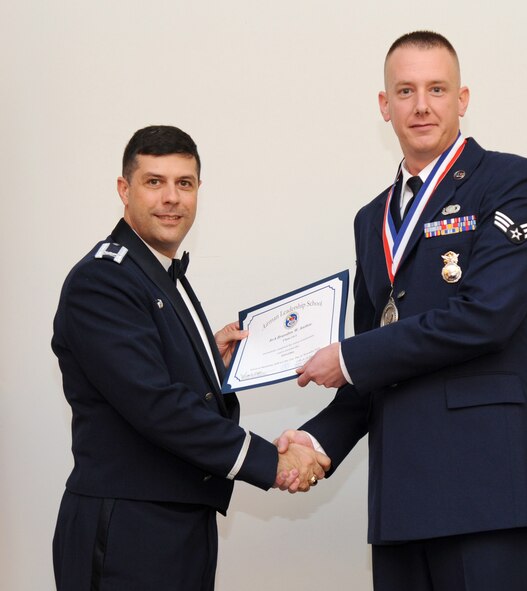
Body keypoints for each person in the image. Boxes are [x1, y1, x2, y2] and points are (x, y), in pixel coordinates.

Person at [278, 31, 527, 590]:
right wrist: (317, 441)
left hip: (484, 491)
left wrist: (350, 358)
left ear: (462, 98)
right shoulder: (369, 217)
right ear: (385, 106)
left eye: (436, 89)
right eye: (405, 91)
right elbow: (372, 364)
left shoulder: (510, 181)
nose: (421, 105)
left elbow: (486, 316)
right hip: (401, 495)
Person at [51, 125, 330, 591]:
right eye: (154, 181)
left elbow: (156, 375)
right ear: (124, 190)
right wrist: (270, 461)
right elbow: (156, 404)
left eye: (184, 183)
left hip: (176, 522)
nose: (171, 198)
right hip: (128, 529)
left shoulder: (157, 272)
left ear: (199, 191)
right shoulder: (103, 280)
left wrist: (207, 361)